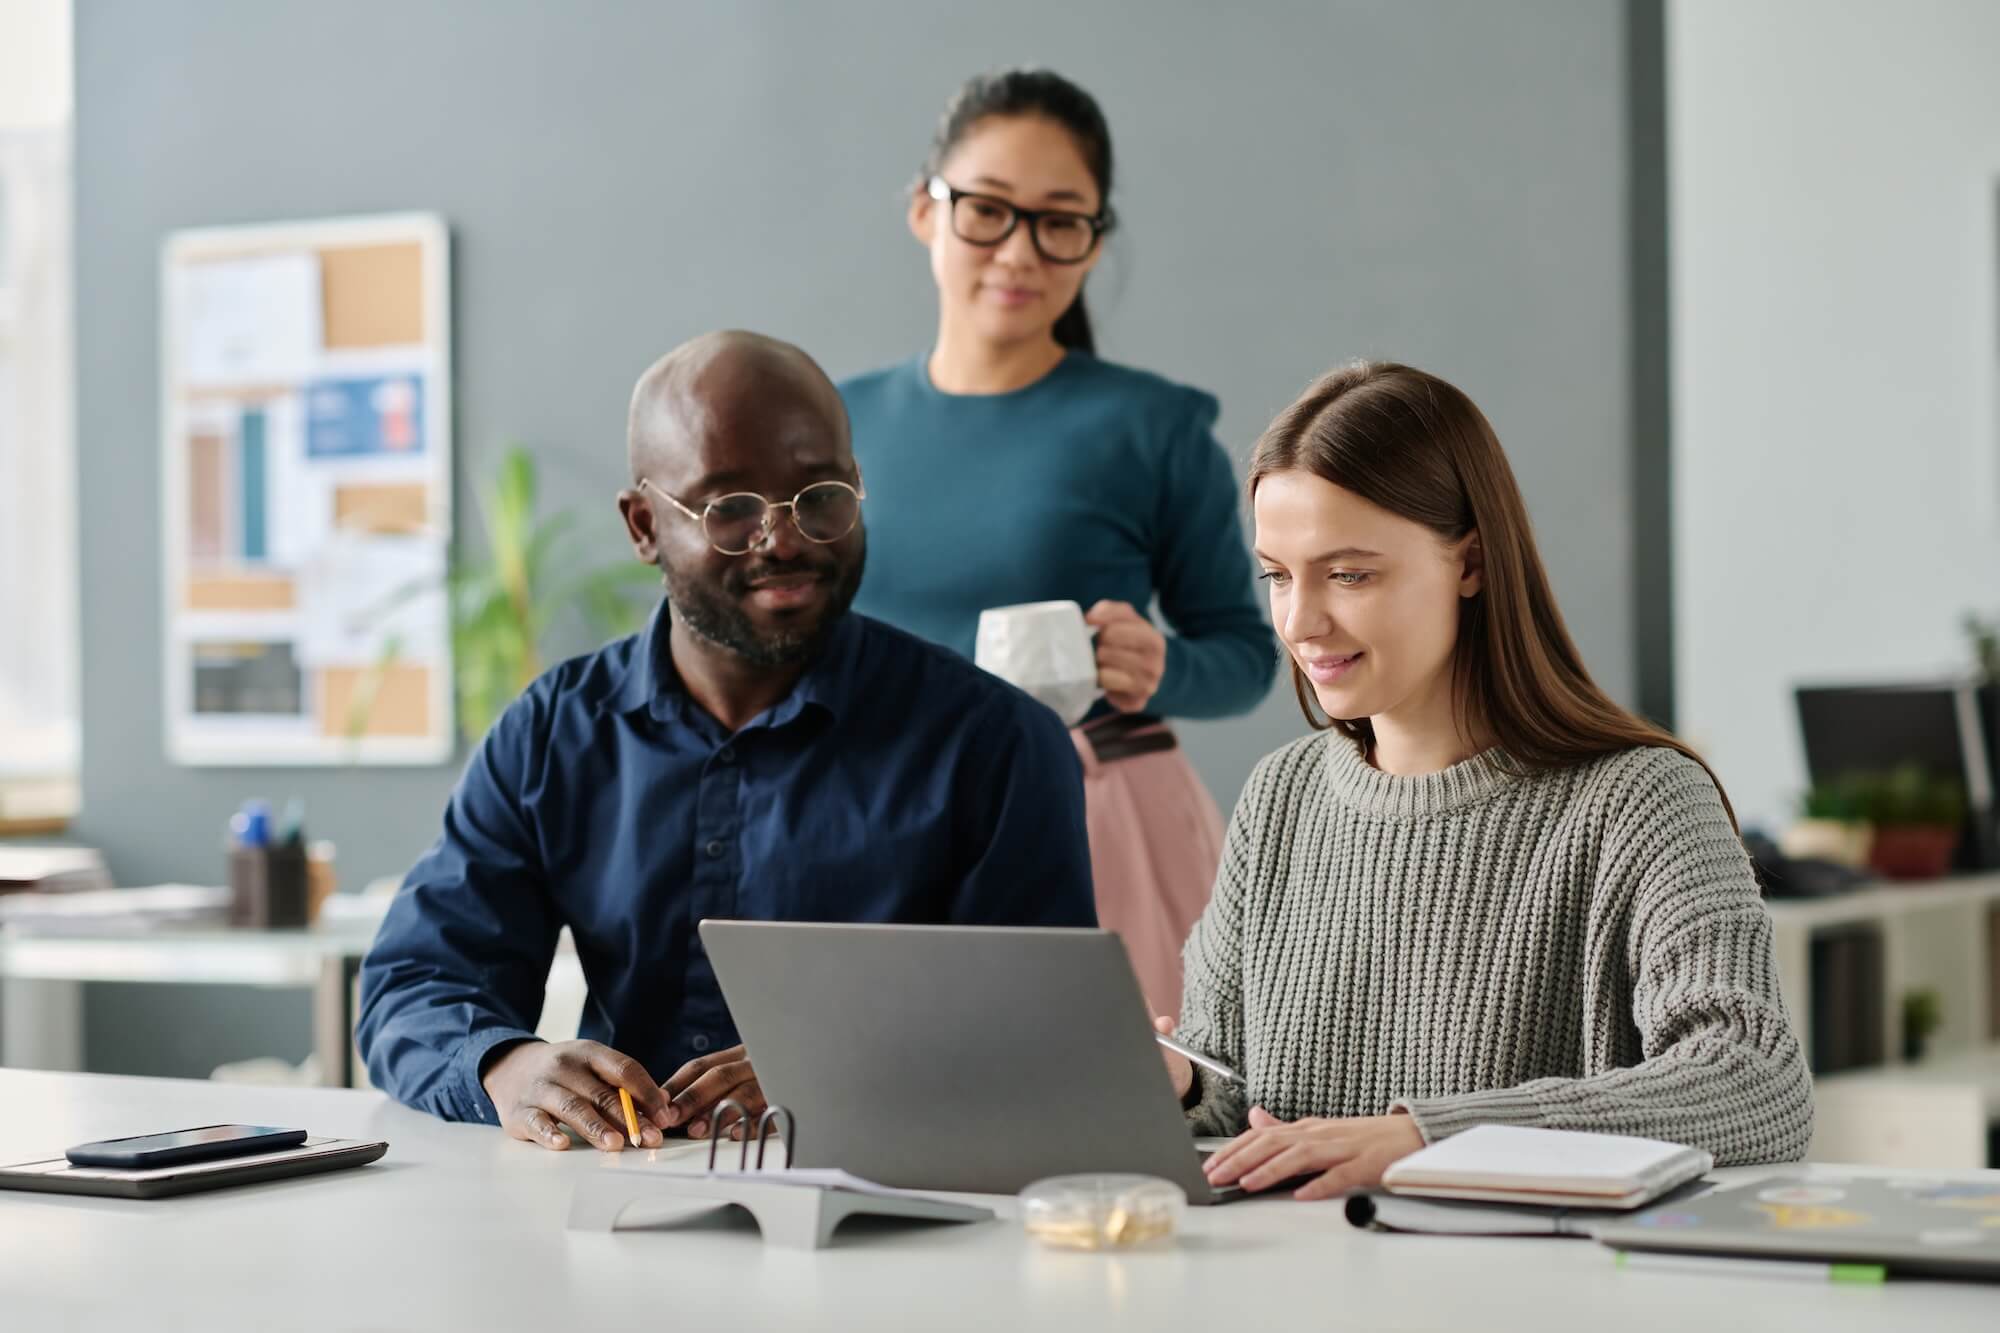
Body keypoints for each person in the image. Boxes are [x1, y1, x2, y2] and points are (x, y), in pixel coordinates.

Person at [357, 330, 1094, 1151]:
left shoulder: (994, 743)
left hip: (897, 1216)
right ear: (643, 525)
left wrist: (839, 1067)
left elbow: (1046, 1031)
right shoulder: (551, 736)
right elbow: (415, 983)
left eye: (820, 495)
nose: (784, 540)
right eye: (730, 507)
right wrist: (507, 1065)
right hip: (615, 1204)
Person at [1161, 362, 1813, 1199]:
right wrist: (1177, 1083)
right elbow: (1234, 1094)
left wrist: (1428, 1138)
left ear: (1469, 562)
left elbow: (1753, 1082)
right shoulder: (1281, 795)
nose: (1299, 620)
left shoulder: (1640, 800)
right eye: (1279, 575)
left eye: (1349, 573)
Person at [841, 69, 1276, 1015]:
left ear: (1094, 238)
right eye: (988, 210)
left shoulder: (1154, 427)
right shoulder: (835, 424)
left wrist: (1158, 666)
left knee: (1119, 1133)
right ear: (926, 210)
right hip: (870, 824)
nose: (1019, 251)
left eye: (1059, 220)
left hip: (1098, 824)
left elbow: (1246, 656)